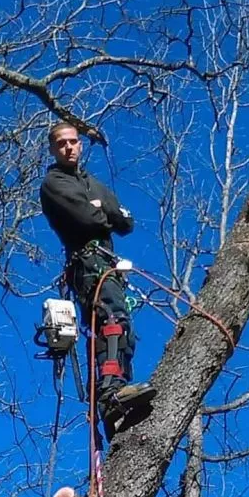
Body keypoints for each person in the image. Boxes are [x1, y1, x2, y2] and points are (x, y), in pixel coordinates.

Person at [40, 122, 155, 439]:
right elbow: (87, 219)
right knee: (110, 319)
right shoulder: (54, 182)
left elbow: (127, 222)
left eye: (73, 142)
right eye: (61, 144)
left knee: (123, 327)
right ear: (53, 149)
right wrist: (105, 213)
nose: (69, 147)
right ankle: (110, 394)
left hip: (108, 263)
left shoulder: (93, 184)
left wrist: (100, 208)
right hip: (87, 261)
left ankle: (120, 393)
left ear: (80, 145)